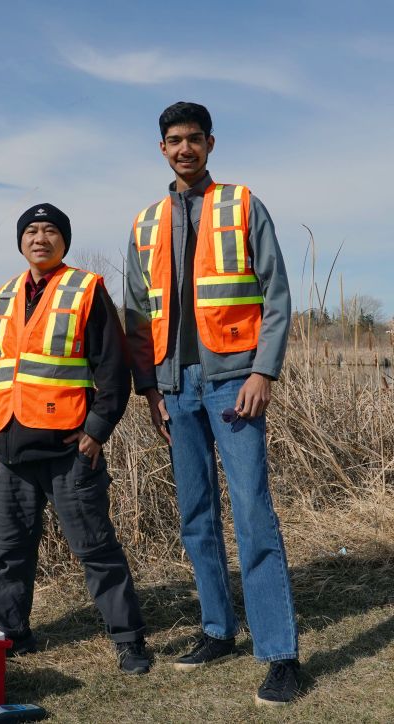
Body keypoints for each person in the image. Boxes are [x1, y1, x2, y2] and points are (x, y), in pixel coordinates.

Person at [124, 101, 299, 706]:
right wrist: (149, 390)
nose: (184, 149)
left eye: (194, 138)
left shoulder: (243, 204)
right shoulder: (146, 223)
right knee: (196, 516)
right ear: (162, 148)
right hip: (176, 390)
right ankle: (216, 629)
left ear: (211, 143)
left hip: (234, 383)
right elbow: (136, 318)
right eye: (174, 140)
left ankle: (280, 653)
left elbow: (275, 294)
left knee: (253, 514)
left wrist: (263, 372)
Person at [0, 203, 149, 674]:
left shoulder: (85, 290)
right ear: (21, 241)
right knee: (10, 553)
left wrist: (96, 432)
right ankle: (12, 635)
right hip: (11, 452)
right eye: (31, 231)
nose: (40, 238)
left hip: (70, 451)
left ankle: (129, 640)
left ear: (64, 241)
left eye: (51, 231)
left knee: (95, 547)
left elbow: (113, 369)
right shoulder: (1, 298)